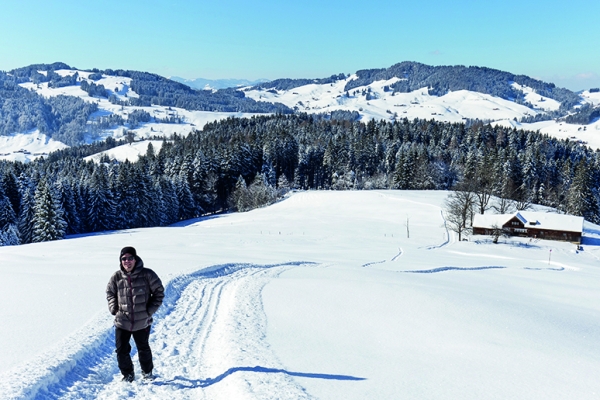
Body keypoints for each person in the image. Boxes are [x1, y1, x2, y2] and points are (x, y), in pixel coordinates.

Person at [106, 246, 165, 382]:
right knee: (121, 350)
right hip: (122, 320)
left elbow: (159, 293)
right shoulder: (116, 276)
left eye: (130, 258)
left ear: (135, 259)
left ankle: (147, 372)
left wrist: (149, 311)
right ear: (121, 261)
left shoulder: (147, 274)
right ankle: (128, 375)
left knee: (143, 348)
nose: (127, 261)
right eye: (124, 259)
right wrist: (114, 308)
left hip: (142, 321)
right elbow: (110, 292)